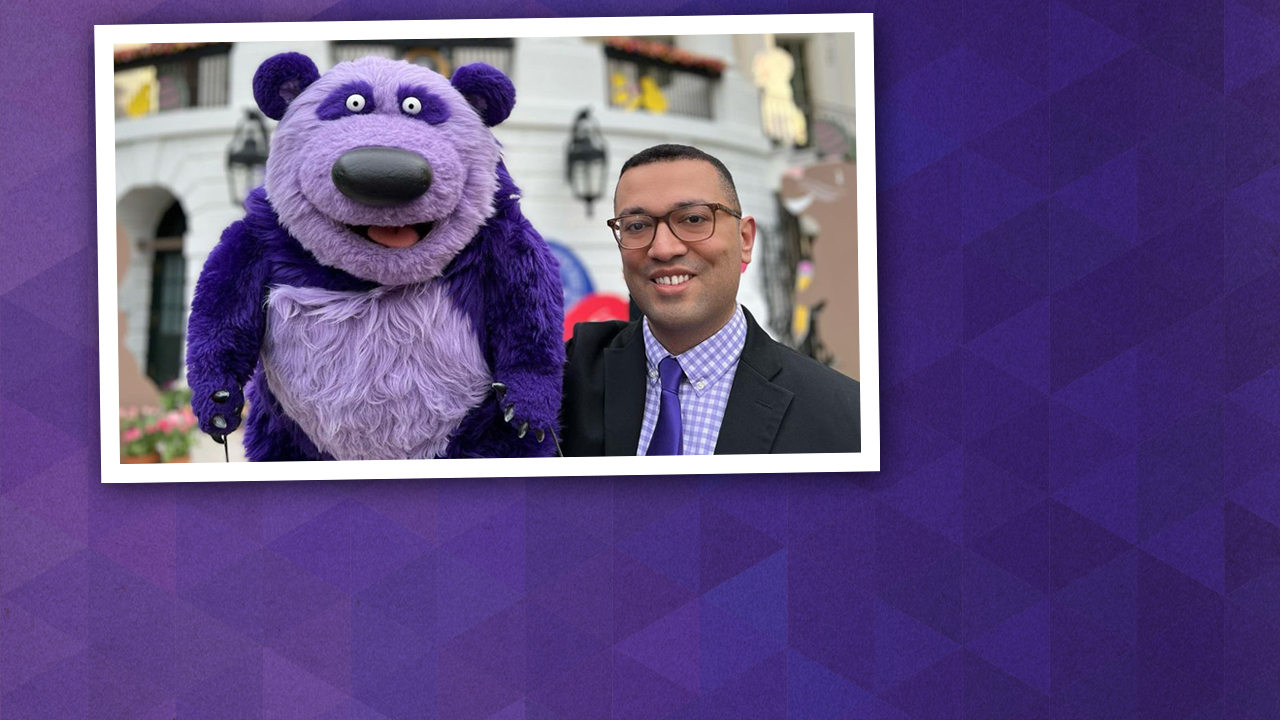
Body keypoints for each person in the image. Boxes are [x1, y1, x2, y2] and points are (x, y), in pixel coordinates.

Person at [561, 144, 860, 456]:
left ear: (745, 239)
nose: (663, 249)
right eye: (637, 225)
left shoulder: (844, 417)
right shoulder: (567, 380)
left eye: (692, 219)